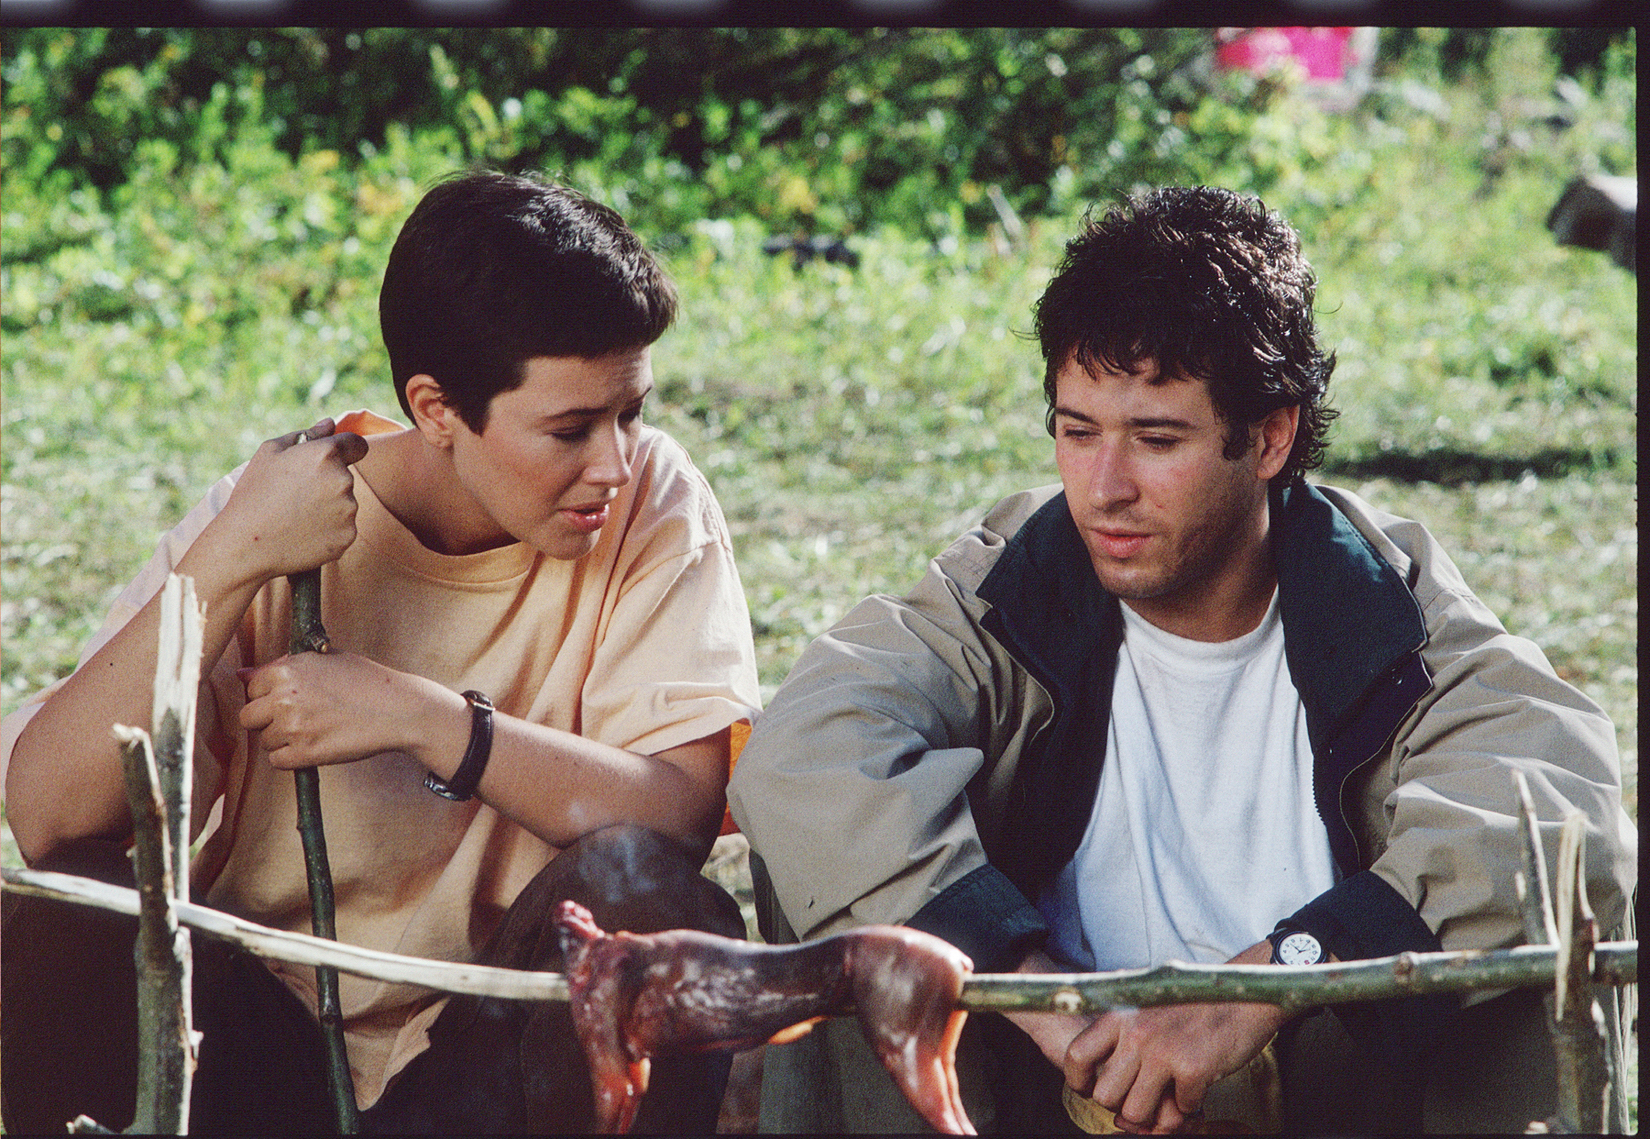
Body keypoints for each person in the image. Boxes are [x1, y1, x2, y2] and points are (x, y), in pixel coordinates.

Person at [727, 186, 1636, 1134]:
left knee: (1529, 941)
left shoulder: (1380, 609)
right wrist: (1029, 986)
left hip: (1328, 1082)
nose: (1105, 488)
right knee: (841, 889)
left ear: (1271, 436)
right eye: (1077, 432)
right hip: (1049, 1078)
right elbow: (805, 746)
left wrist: (1256, 989)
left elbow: (1557, 803)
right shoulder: (1014, 586)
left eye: (1158, 439)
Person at [2, 170, 762, 1134]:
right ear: (436, 409)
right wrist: (230, 560)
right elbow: (46, 821)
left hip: (499, 1047)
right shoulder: (278, 508)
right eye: (570, 429)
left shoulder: (650, 499)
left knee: (648, 902)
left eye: (631, 412)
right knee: (74, 909)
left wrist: (426, 720)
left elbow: (679, 814)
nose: (612, 462)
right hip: (261, 1043)